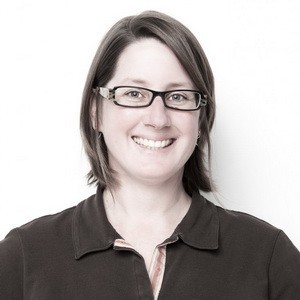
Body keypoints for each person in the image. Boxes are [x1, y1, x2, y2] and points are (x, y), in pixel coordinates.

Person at [0, 10, 299, 300]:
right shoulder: (23, 259)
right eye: (134, 94)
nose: (158, 119)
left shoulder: (270, 259)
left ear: (200, 120)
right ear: (95, 112)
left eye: (178, 96)